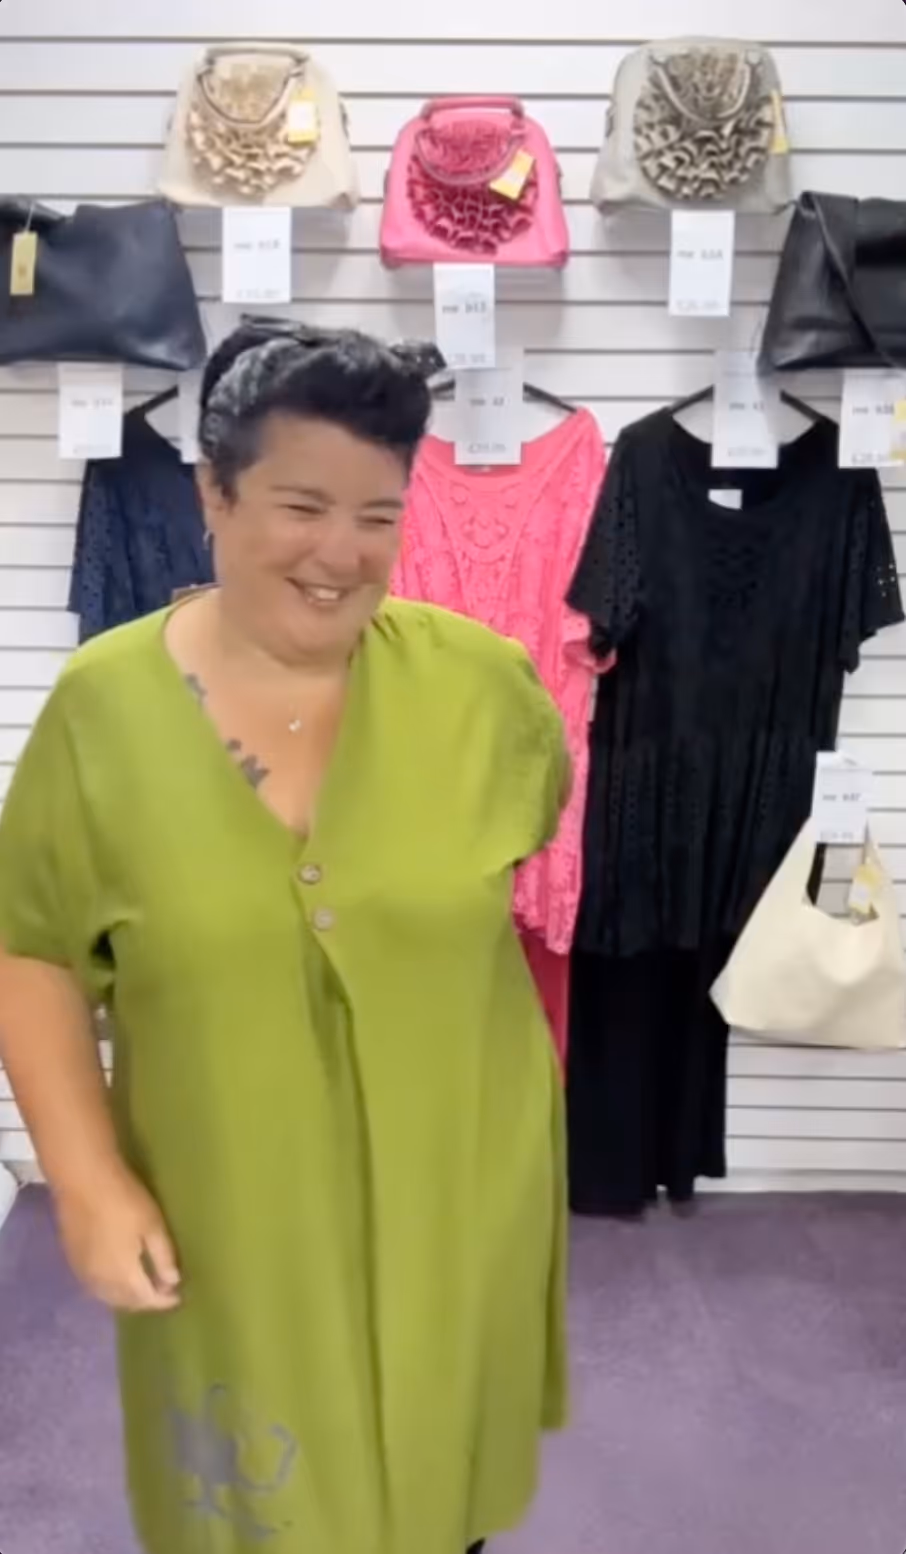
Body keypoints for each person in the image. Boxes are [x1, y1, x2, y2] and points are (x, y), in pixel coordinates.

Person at [0, 323, 570, 1554]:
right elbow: (32, 946)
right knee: (258, 1509)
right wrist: (86, 1181)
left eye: (378, 514)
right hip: (230, 1213)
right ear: (213, 492)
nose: (340, 552)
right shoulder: (103, 711)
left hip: (458, 1203)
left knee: (438, 1499)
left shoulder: (487, 692)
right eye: (302, 506)